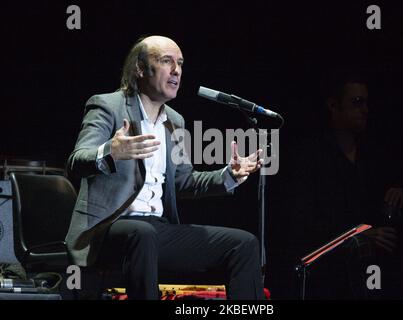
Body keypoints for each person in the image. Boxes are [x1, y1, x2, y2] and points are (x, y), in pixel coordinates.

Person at [65, 35, 265, 300]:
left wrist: (228, 175)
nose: (177, 70)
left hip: (157, 228)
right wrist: (109, 152)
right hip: (108, 229)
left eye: (180, 63)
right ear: (139, 68)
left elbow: (185, 182)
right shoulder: (107, 106)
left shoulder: (175, 121)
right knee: (142, 234)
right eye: (166, 61)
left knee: (243, 244)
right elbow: (76, 162)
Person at [286, 70, 403, 298]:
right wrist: (359, 235)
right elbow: (304, 224)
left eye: (366, 102)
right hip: (329, 261)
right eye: (356, 102)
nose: (365, 110)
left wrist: (399, 190)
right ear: (334, 106)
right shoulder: (311, 156)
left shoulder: (372, 155)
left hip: (372, 261)